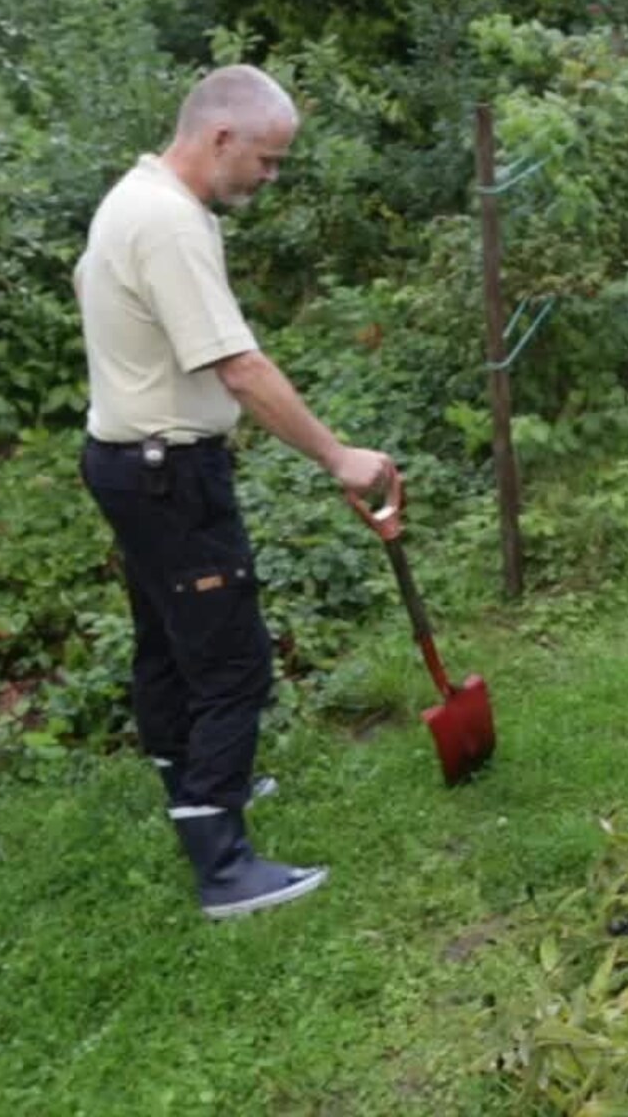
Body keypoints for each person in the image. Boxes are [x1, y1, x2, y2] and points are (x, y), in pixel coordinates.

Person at [72, 64, 395, 920]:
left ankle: (198, 792)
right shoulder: (169, 222)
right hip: (167, 473)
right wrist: (338, 457)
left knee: (171, 645)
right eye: (269, 159)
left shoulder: (130, 200)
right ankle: (223, 864)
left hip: (128, 461)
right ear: (221, 138)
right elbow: (239, 365)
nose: (270, 177)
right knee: (230, 660)